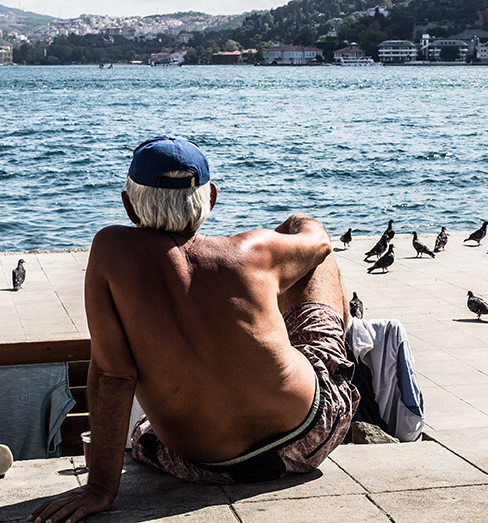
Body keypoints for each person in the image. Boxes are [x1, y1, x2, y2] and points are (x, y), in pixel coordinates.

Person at [30, 136, 358, 523]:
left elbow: (112, 375)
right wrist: (295, 223)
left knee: (147, 430)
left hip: (203, 464)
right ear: (211, 199)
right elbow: (320, 244)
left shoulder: (111, 249)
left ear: (129, 205)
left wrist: (100, 487)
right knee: (314, 259)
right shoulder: (254, 250)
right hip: (310, 433)